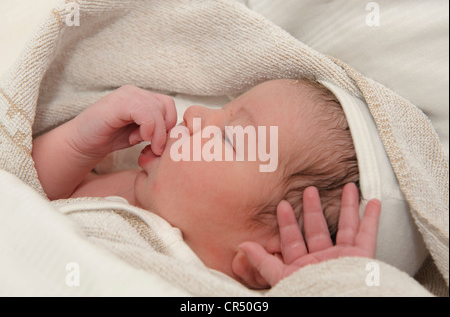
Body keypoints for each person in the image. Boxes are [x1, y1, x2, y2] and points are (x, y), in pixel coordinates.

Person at [32, 79, 381, 289]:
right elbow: (23, 189)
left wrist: (324, 289)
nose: (196, 113)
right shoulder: (128, 192)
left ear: (268, 256)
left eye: (229, 137)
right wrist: (77, 144)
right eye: (225, 108)